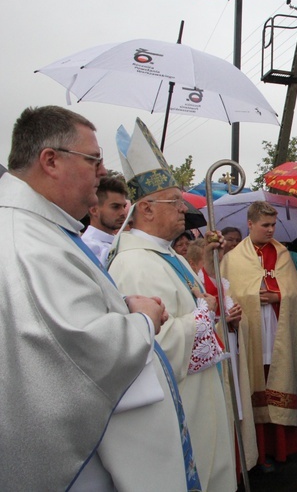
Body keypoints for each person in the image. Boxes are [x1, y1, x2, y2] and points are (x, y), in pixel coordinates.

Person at [0, 106, 191, 490]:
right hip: (76, 467)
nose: (102, 171)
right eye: (93, 159)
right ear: (51, 161)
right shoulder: (28, 245)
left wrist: (123, 308)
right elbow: (81, 347)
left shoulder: (39, 228)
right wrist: (142, 319)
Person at [108, 118, 236, 491]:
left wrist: (209, 312)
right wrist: (203, 317)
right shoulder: (133, 263)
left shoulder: (170, 255)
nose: (184, 209)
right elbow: (150, 348)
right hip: (176, 401)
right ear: (145, 209)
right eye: (175, 202)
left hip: (200, 389)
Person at [221, 200, 297, 472]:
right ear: (250, 224)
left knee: (277, 381)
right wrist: (251, 296)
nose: (271, 230)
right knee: (253, 384)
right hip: (251, 331)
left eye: (273, 224)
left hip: (277, 327)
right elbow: (228, 295)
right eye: (265, 225)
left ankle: (281, 448)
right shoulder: (233, 258)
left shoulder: (282, 254)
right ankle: (256, 452)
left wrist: (279, 295)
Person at [81, 175, 129, 265]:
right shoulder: (88, 248)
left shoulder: (120, 241)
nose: (123, 213)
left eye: (124, 206)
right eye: (115, 207)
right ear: (94, 210)